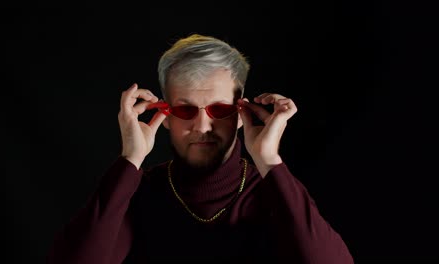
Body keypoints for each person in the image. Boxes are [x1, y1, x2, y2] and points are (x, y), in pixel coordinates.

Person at [46, 34, 354, 264]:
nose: (203, 126)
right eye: (185, 111)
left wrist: (270, 161)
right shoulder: (136, 193)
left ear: (240, 111)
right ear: (163, 114)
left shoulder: (274, 192)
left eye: (219, 110)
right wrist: (131, 159)